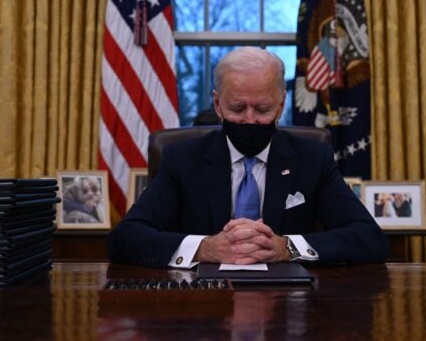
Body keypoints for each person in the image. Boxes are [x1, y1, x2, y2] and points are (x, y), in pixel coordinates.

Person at [107, 47, 388, 268]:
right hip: (202, 304)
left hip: (290, 306)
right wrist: (205, 248)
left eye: (263, 108)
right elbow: (125, 239)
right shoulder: (182, 159)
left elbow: (369, 238)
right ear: (217, 104)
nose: (249, 120)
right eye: (237, 107)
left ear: (281, 105)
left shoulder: (313, 158)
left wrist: (287, 248)